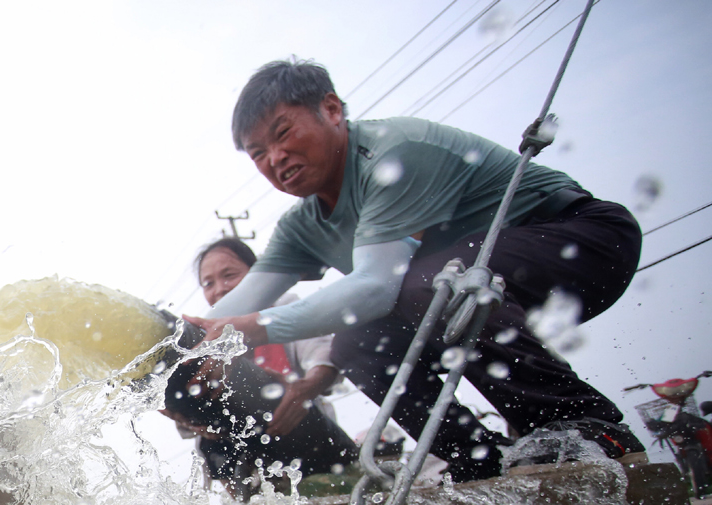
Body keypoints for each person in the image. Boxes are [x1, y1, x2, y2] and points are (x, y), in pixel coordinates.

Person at [186, 59, 645, 482]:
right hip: (479, 288)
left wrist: (250, 328)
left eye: (283, 133)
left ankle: (580, 425)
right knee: (356, 341)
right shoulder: (302, 225)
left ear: (331, 109)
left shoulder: (394, 152)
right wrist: (180, 349)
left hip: (584, 243)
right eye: (258, 152)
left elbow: (374, 287)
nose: (275, 158)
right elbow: (241, 301)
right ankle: (478, 460)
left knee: (430, 284)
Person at [162, 236, 358, 498]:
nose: (219, 289)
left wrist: (306, 388)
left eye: (229, 275)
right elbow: (185, 398)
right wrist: (184, 417)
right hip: (243, 460)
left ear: (257, 275)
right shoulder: (205, 337)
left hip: (301, 438)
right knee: (214, 444)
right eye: (208, 283)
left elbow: (324, 355)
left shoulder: (284, 310)